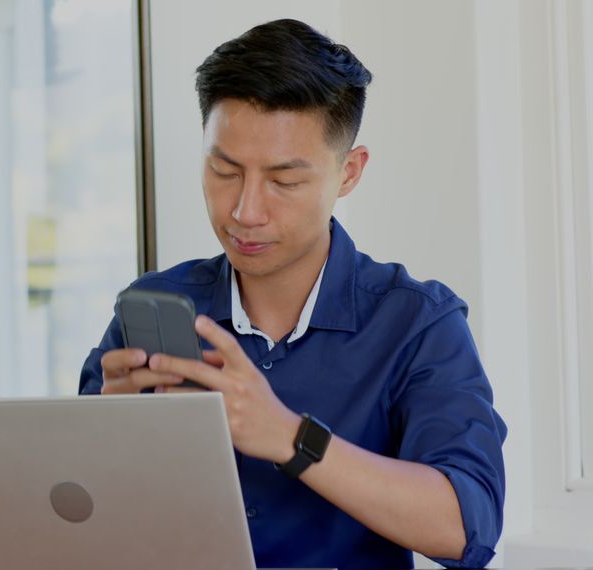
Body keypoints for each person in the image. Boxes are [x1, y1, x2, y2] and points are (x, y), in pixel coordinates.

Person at [79, 19, 506, 569]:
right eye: (224, 170)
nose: (244, 211)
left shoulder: (418, 322)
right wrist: (101, 435)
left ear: (349, 172)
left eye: (284, 181)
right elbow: (84, 520)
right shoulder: (151, 308)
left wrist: (289, 437)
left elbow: (466, 528)